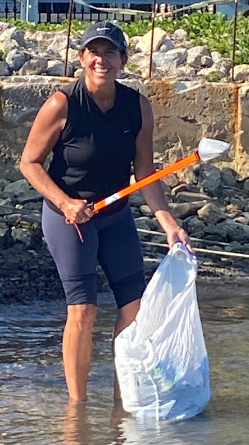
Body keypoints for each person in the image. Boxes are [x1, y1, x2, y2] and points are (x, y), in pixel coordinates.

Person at [20, 21, 192, 404]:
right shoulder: (61, 104)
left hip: (115, 216)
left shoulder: (137, 107)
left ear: (123, 60)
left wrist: (168, 222)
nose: (102, 60)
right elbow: (30, 163)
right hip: (69, 219)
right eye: (94, 52)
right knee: (83, 309)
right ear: (82, 58)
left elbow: (145, 172)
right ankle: (77, 408)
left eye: (110, 52)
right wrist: (65, 203)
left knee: (134, 307)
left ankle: (122, 399)